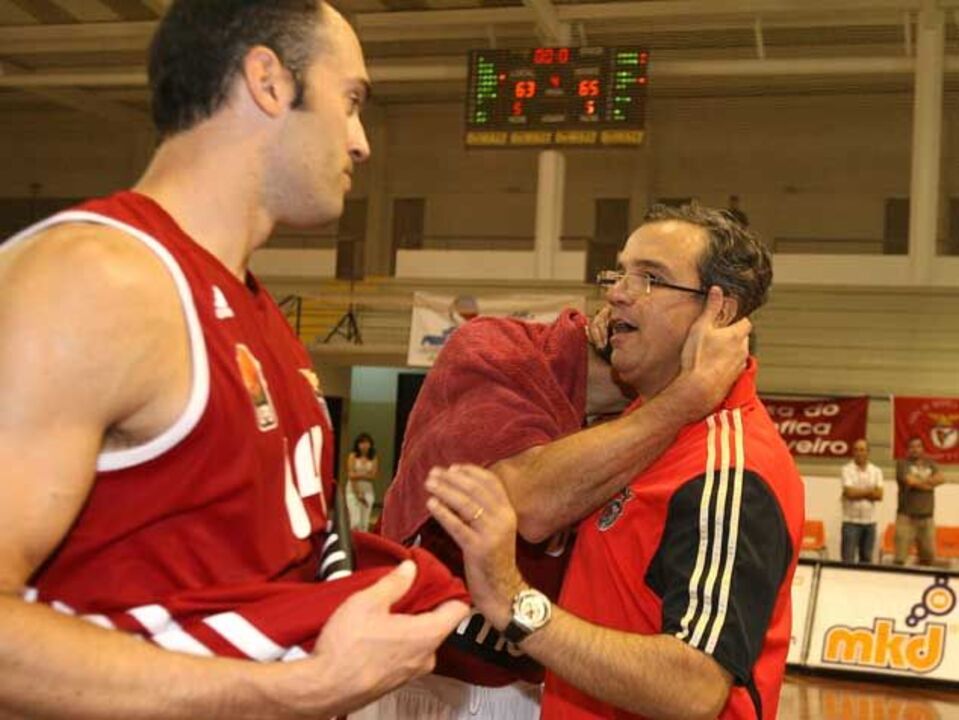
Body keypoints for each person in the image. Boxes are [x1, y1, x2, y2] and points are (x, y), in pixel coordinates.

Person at [0, 2, 470, 718]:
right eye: (349, 102)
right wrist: (299, 691)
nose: (361, 142)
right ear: (268, 82)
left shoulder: (255, 312)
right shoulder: (97, 277)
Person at [428, 204, 805, 720]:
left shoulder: (730, 467)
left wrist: (515, 604)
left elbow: (692, 687)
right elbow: (538, 496)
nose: (617, 292)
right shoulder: (644, 429)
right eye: (620, 272)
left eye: (650, 278)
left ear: (719, 311)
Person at [894, 436, 945, 566]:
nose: (915, 449)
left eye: (918, 446)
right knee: (900, 559)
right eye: (912, 447)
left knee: (928, 558)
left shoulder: (930, 463)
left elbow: (941, 478)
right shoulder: (902, 464)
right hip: (906, 518)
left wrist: (919, 482)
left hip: (927, 519)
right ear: (908, 449)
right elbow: (910, 481)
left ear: (922, 448)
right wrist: (929, 483)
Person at [840, 438, 884, 564]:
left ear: (868, 452)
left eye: (862, 450)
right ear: (853, 452)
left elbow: (879, 495)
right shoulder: (846, 469)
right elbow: (849, 493)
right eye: (856, 450)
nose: (859, 453)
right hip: (850, 522)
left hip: (870, 523)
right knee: (847, 559)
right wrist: (870, 491)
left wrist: (858, 492)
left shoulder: (876, 471)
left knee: (866, 560)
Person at [347, 432, 380, 531]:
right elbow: (351, 475)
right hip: (353, 490)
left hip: (368, 490)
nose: (364, 446)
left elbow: (373, 476)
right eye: (361, 443)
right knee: (355, 522)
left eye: (367, 443)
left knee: (364, 523)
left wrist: (358, 475)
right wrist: (358, 494)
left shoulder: (373, 458)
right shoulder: (352, 456)